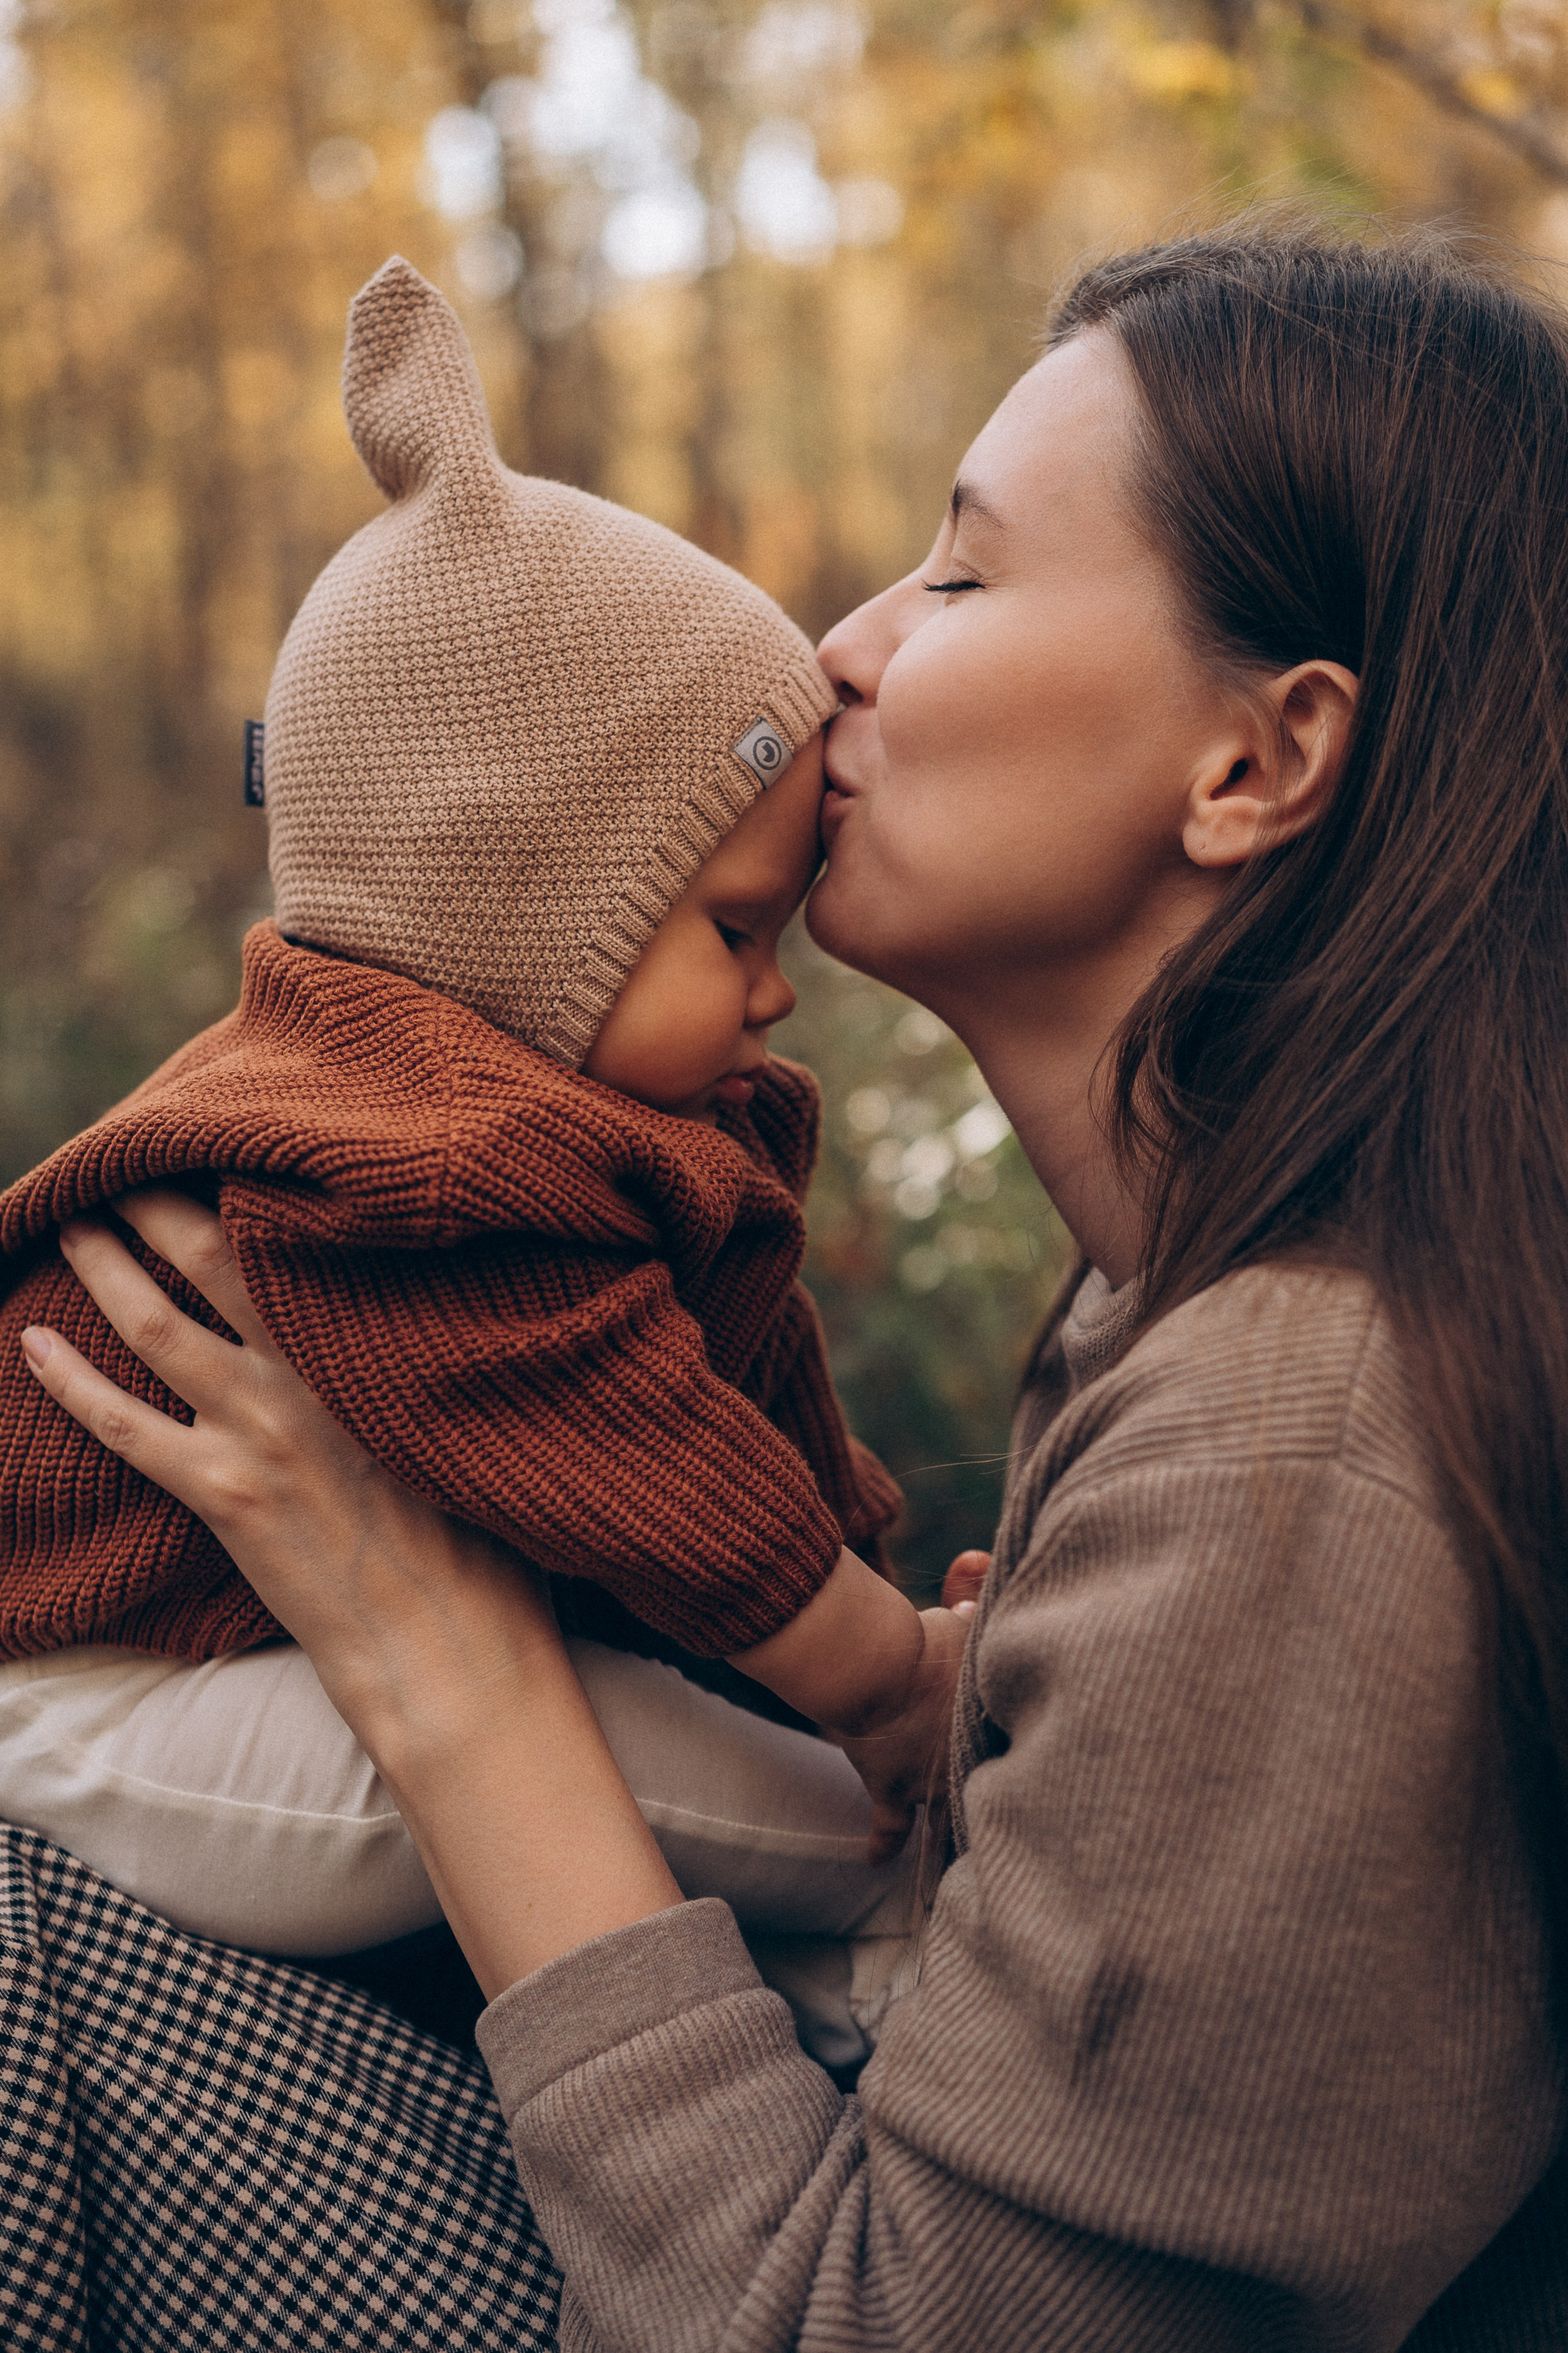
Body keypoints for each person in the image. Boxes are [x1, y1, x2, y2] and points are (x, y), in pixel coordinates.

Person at [13, 222, 1568, 2349]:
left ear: (1256, 763)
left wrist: (441, 1659)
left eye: (961, 570)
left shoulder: (1297, 1441)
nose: (834, 650)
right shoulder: (1205, 1322)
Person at [0, 260, 955, 2052]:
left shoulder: (587, 1112)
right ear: (529, 910)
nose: (774, 995)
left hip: (271, 1629)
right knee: (640, 1751)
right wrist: (887, 1680)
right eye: (740, 933)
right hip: (87, 1691)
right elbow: (640, 1454)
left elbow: (740, 1402)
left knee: (671, 1744)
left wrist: (861, 1567)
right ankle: (907, 1914)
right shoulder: (413, 1157)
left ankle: (845, 1987)